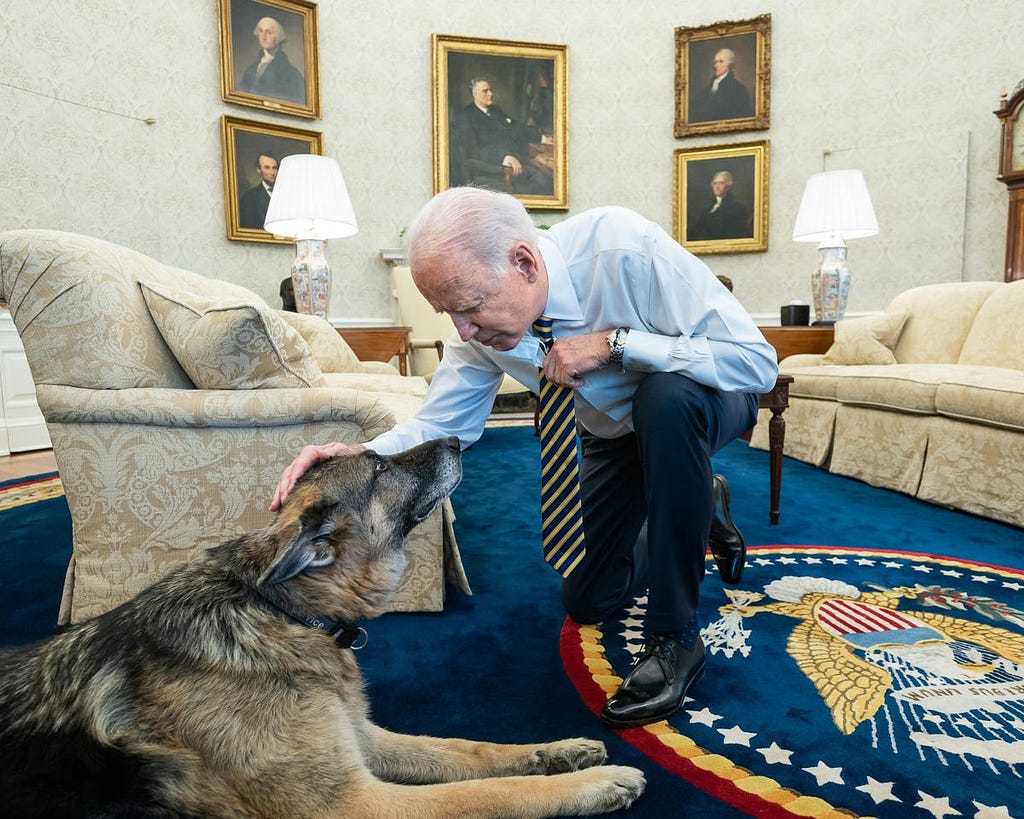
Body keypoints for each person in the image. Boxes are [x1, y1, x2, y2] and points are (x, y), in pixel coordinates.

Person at [271, 187, 778, 728]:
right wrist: (357, 455)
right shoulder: (477, 331)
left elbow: (756, 364)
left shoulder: (625, 250)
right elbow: (444, 426)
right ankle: (703, 503)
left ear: (524, 262)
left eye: (468, 308)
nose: (461, 332)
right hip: (615, 434)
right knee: (588, 600)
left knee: (665, 399)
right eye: (448, 314)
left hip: (705, 398)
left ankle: (675, 638)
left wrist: (619, 343)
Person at [454, 78, 553, 196]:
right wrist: (505, 158)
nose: (491, 94)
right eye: (485, 91)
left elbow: (516, 127)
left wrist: (542, 139)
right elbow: (473, 149)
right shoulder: (466, 117)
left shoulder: (495, 110)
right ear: (475, 94)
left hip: (516, 158)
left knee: (547, 171)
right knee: (541, 178)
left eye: (490, 90)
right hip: (494, 167)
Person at [238, 16, 305, 104]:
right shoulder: (251, 69)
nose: (263, 37)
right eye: (261, 31)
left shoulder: (291, 73)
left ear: (278, 37)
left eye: (269, 32)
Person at [689, 48, 753, 123]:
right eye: (715, 62)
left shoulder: (739, 89)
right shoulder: (707, 89)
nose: (716, 65)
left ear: (729, 65)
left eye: (721, 61)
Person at [689, 170, 751, 240]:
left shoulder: (739, 209)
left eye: (721, 183)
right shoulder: (707, 209)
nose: (717, 187)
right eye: (715, 183)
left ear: (728, 186)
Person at [238, 152, 278, 230]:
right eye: (267, 167)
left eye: (274, 168)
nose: (272, 172)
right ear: (259, 170)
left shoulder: (286, 195)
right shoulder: (249, 197)